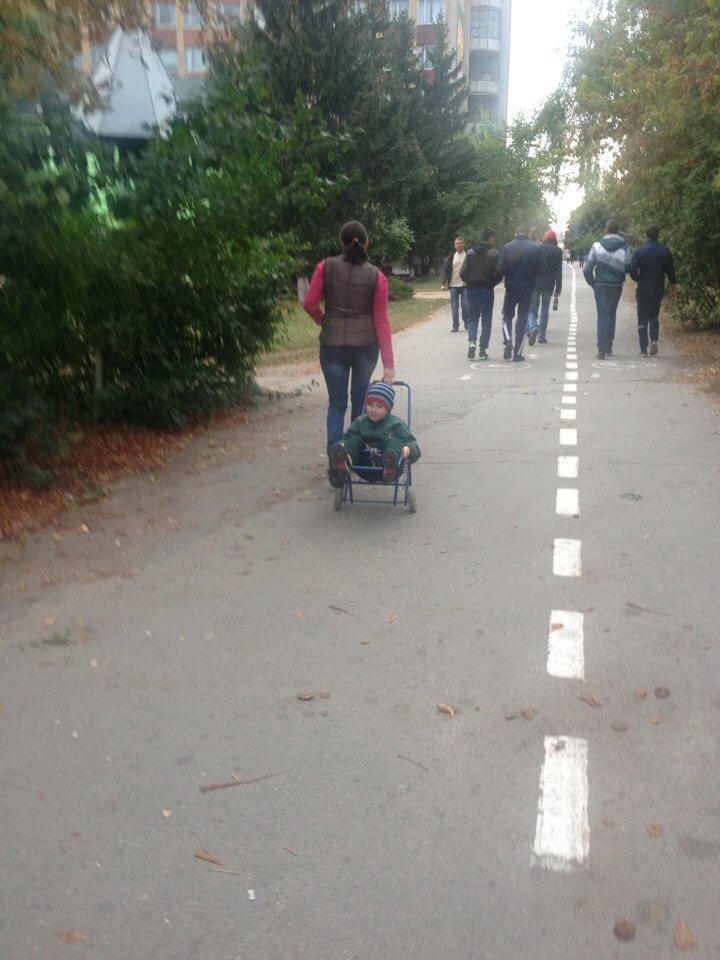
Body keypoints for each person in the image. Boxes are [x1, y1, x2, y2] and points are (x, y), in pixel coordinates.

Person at [303, 220, 395, 487]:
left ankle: (336, 462)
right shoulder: (376, 276)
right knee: (359, 404)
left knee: (337, 404)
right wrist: (389, 364)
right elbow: (381, 321)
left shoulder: (325, 267)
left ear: (341, 243)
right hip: (366, 349)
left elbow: (309, 303)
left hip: (332, 348)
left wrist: (324, 320)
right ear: (366, 244)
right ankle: (357, 458)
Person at [330, 382, 421, 483]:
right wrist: (343, 445)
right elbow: (347, 439)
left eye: (379, 406)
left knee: (393, 442)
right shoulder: (360, 422)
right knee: (355, 440)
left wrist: (407, 450)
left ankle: (390, 466)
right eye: (370, 404)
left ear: (388, 409)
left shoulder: (396, 424)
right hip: (363, 466)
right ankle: (344, 462)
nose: (373, 410)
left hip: (390, 467)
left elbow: (414, 446)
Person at [583, 218, 632, 359]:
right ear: (618, 230)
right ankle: (609, 346)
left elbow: (587, 269)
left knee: (602, 315)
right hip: (616, 285)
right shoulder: (625, 247)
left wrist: (593, 283)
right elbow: (629, 267)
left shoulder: (597, 246)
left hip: (600, 285)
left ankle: (601, 350)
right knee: (611, 314)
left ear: (606, 230)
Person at [629, 224, 677, 356]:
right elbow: (671, 272)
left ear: (646, 235)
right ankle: (654, 340)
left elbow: (632, 270)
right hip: (657, 288)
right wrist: (673, 289)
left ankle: (643, 348)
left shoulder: (639, 251)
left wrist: (638, 279)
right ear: (658, 235)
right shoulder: (665, 251)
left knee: (642, 317)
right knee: (654, 315)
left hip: (643, 288)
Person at [497, 226, 541, 362]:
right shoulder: (535, 248)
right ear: (528, 234)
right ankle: (518, 353)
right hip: (527, 288)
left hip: (511, 287)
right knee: (522, 319)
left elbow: (501, 268)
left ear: (515, 233)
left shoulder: (508, 247)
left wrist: (509, 274)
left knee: (507, 316)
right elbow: (539, 269)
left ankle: (508, 341)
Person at [460, 227, 502, 360]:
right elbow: (499, 273)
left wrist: (469, 282)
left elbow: (462, 273)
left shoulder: (471, 253)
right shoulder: (495, 254)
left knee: (473, 318)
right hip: (487, 290)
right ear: (490, 238)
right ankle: (483, 350)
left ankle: (472, 342)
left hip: (472, 290)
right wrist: (492, 283)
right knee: (486, 319)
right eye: (493, 237)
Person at [528, 229, 563, 345]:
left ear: (544, 238)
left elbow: (531, 267)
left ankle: (533, 327)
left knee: (532, 308)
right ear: (554, 240)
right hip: (548, 285)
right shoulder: (557, 251)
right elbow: (558, 272)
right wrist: (558, 289)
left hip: (535, 283)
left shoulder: (536, 248)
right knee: (544, 310)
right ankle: (542, 337)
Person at [441, 237, 469, 333]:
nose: (458, 245)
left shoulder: (468, 256)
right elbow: (446, 270)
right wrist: (444, 283)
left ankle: (466, 322)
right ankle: (455, 326)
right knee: (454, 307)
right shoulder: (451, 257)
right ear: (454, 245)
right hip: (453, 285)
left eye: (460, 243)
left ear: (464, 244)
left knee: (465, 306)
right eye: (457, 243)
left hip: (465, 285)